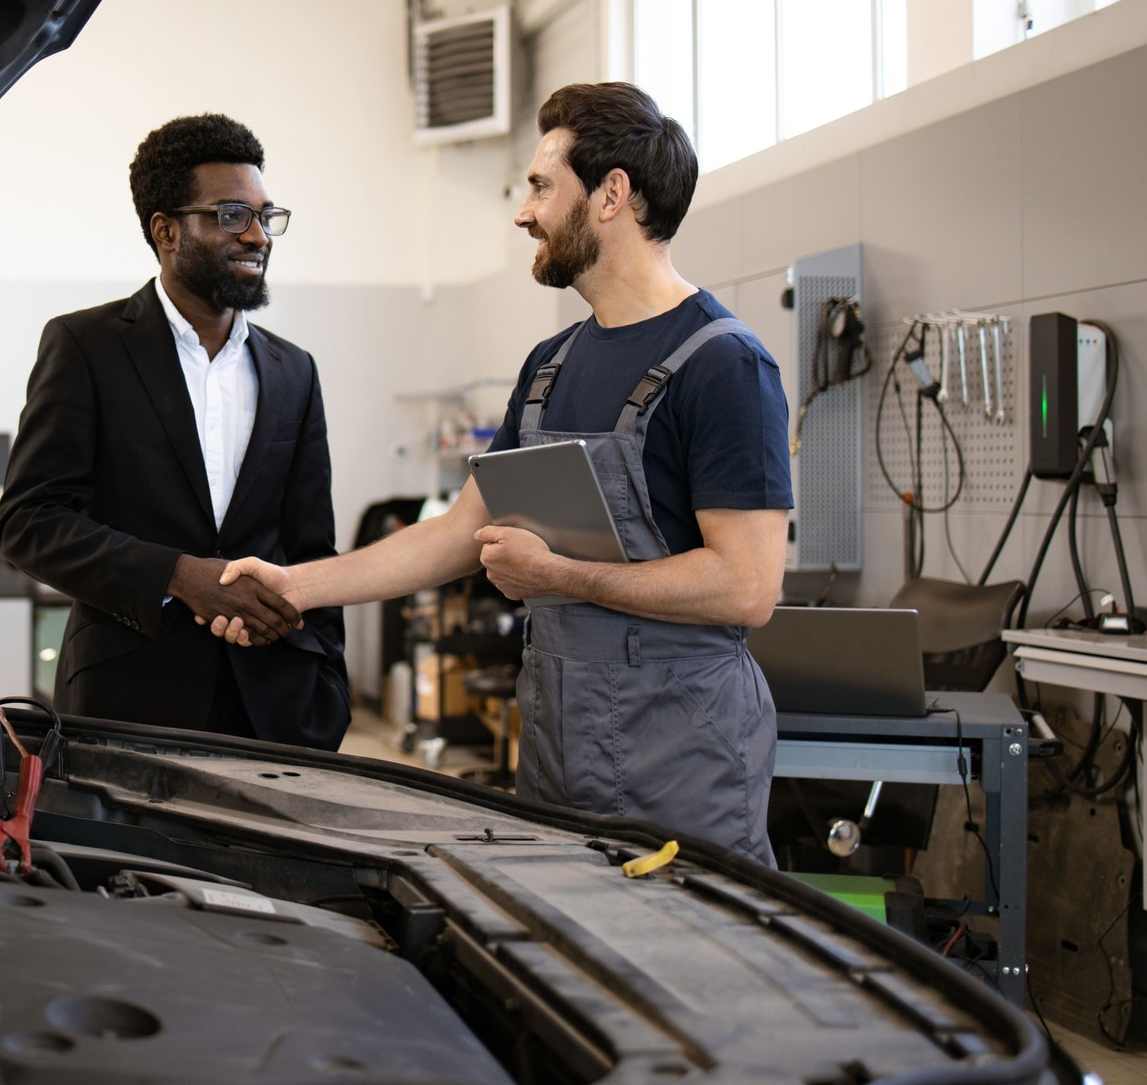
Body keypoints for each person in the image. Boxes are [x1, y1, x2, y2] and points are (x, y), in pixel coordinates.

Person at [213, 83, 791, 864]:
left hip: (681, 746)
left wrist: (560, 576)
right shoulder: (551, 365)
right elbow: (458, 531)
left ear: (613, 195)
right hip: (560, 731)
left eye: (542, 186)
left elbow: (746, 586)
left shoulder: (724, 365)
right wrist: (295, 586)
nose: (524, 212)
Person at [0, 113, 348, 750]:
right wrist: (178, 575)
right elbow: (31, 522)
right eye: (233, 215)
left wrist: (327, 680)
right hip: (127, 701)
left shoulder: (293, 371)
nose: (259, 237)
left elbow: (311, 545)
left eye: (267, 217)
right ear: (166, 230)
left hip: (276, 705)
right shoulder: (86, 346)